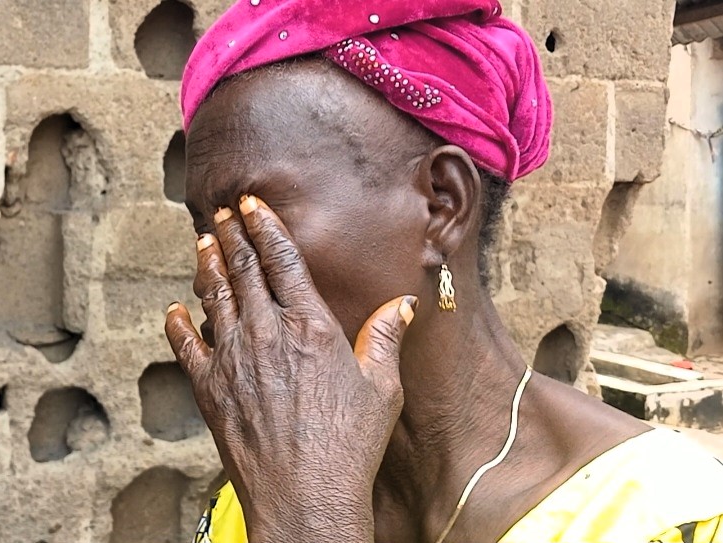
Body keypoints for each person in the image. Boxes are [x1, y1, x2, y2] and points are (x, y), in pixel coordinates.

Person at [161, 1, 723, 542]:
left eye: (256, 215)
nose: (217, 269)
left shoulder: (662, 517)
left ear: (441, 206)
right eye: (203, 227)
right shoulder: (267, 489)